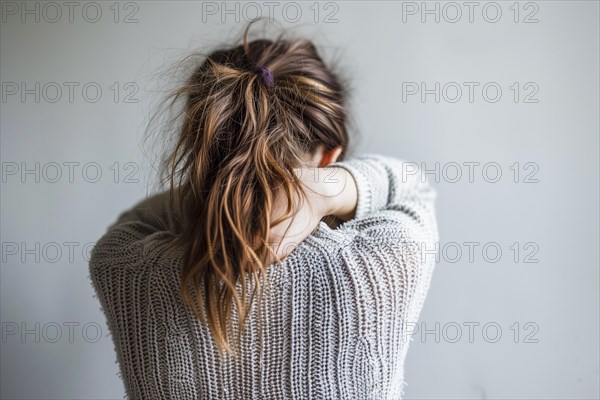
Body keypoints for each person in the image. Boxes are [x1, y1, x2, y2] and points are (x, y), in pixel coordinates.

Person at [89, 21, 439, 400]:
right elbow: (414, 185)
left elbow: (141, 219)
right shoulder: (383, 257)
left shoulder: (123, 265)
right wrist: (321, 190)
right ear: (330, 157)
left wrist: (223, 185)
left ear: (200, 149)